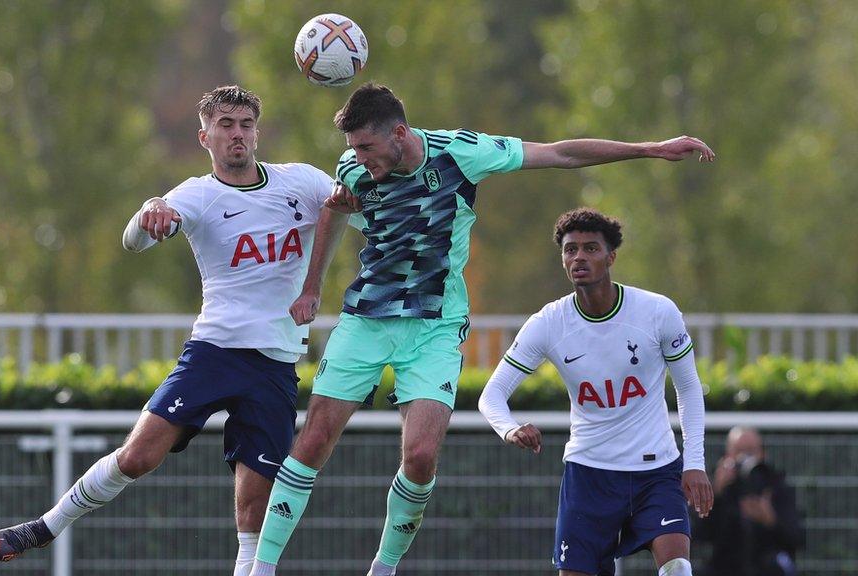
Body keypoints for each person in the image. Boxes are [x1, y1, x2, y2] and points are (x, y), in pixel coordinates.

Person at [249, 83, 716, 576]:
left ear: (400, 134)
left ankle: (383, 569)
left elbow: (559, 153)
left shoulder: (461, 153)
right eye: (353, 150)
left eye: (366, 147)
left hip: (435, 327)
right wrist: (311, 287)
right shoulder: (354, 168)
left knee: (423, 456)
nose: (357, 159)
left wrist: (647, 149)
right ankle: (261, 568)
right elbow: (333, 208)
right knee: (314, 439)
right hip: (367, 318)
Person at [0, 85, 336, 576]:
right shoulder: (197, 194)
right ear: (205, 136)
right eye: (226, 125)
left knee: (255, 505)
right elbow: (134, 241)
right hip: (214, 352)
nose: (238, 134)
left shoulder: (301, 182)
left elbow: (358, 206)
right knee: (139, 456)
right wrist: (149, 212)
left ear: (257, 132)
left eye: (246, 125)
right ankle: (45, 527)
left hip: (276, 361)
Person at [478, 208, 713, 576]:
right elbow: (491, 395)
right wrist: (509, 428)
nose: (579, 257)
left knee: (678, 568)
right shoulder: (549, 323)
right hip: (589, 474)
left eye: (590, 248)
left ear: (611, 257)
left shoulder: (657, 311)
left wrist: (694, 462)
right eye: (570, 250)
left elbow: (688, 387)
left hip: (656, 470)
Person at [695, 427, 803, 576]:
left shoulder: (776, 486)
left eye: (752, 450)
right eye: (739, 450)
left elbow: (797, 538)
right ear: (727, 455)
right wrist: (716, 494)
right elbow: (698, 534)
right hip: (723, 567)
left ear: (762, 453)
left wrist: (770, 520)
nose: (746, 457)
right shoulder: (714, 487)